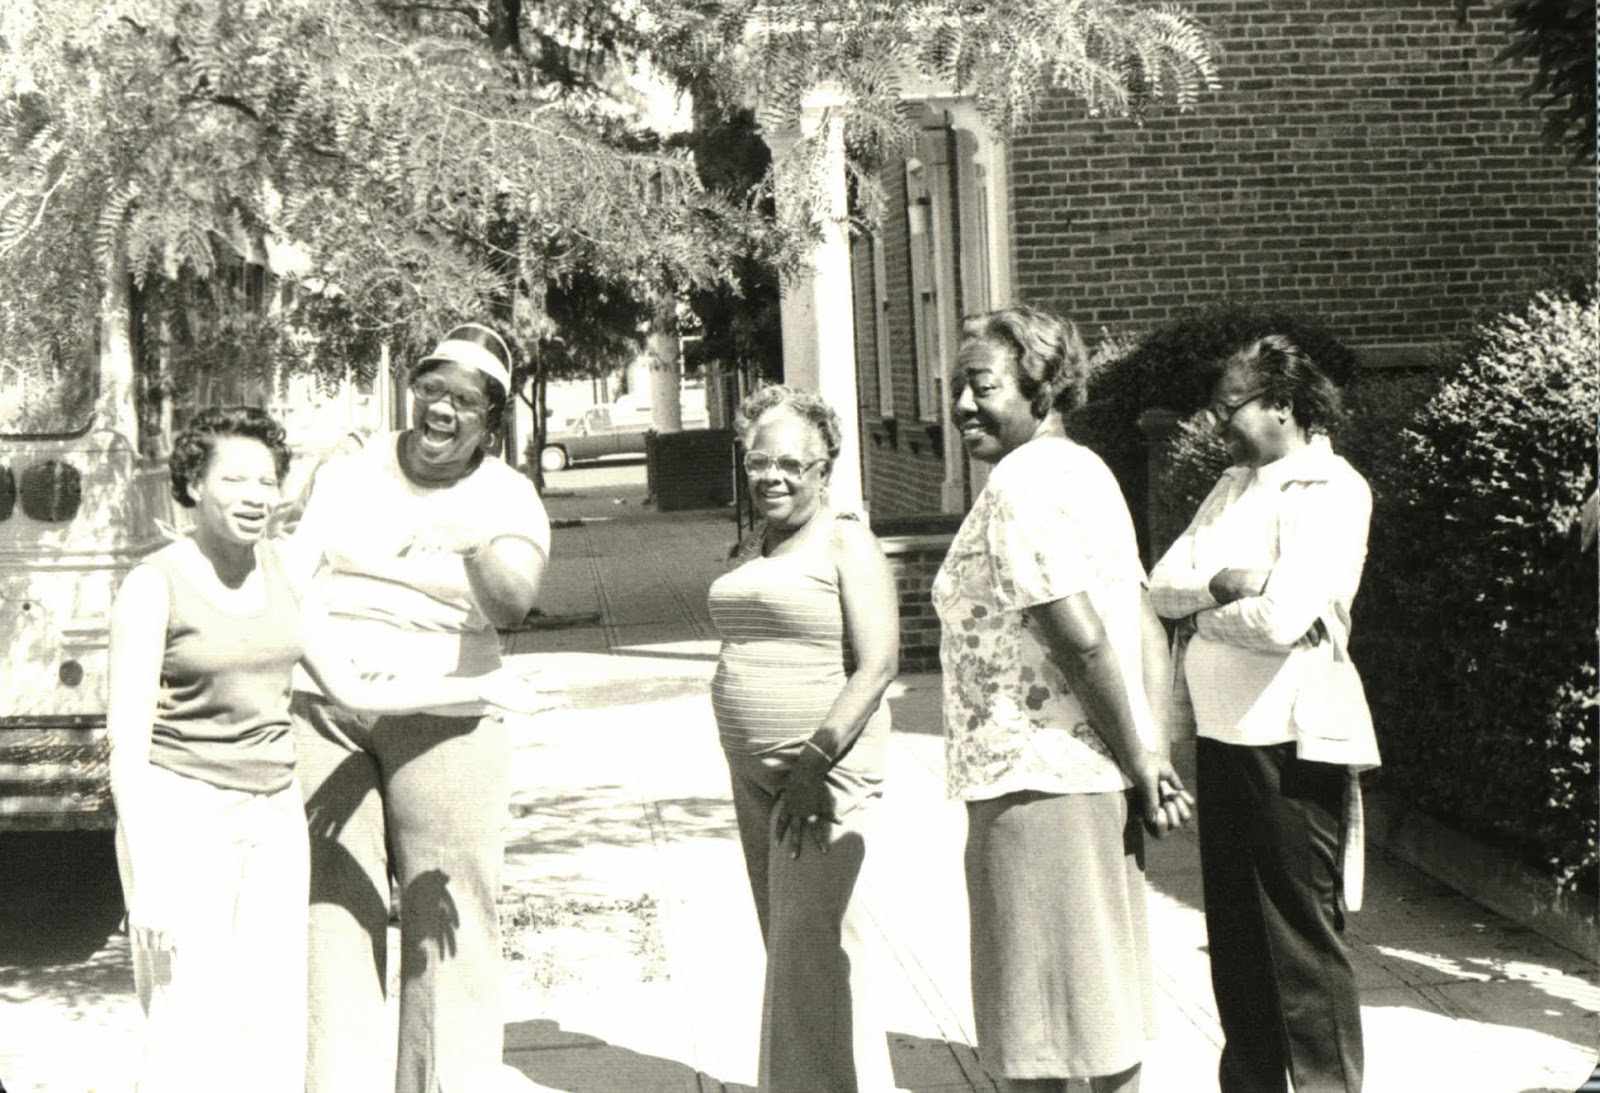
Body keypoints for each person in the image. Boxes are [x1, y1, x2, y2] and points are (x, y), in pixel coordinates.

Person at [106, 406, 531, 1093]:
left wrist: (477, 688)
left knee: (274, 1019)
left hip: (275, 818)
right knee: (181, 1017)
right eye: (235, 479)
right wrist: (146, 876)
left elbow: (354, 684)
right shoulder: (153, 584)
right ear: (194, 483)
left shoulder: (283, 575)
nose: (254, 496)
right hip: (183, 820)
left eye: (266, 481)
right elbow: (125, 747)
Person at [284, 322, 551, 1093]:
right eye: (432, 386)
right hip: (329, 706)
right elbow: (295, 576)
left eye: (465, 399)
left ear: (490, 421)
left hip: (449, 717)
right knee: (330, 915)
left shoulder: (507, 495)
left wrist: (474, 548)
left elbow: (512, 605)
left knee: (449, 921)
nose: (442, 407)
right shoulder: (352, 469)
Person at [932, 306, 1191, 1093]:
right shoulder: (1088, 469)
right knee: (1097, 1020)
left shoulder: (1021, 485)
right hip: (1089, 780)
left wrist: (1144, 759)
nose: (962, 405)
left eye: (981, 386)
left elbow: (1081, 636)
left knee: (1036, 1041)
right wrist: (1147, 754)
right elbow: (1143, 622)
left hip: (1032, 782)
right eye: (957, 388)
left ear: (1041, 390)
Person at [1148, 333, 1376, 1093]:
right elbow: (1161, 584)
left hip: (1294, 739)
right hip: (1220, 734)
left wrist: (1209, 607)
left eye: (1230, 407)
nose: (1221, 424)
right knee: (1238, 939)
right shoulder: (1231, 487)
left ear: (1283, 404)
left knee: (1302, 942)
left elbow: (1282, 619)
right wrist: (1223, 586)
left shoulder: (1332, 489)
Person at [708, 384, 901, 1092]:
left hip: (821, 771)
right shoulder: (758, 538)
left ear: (826, 467)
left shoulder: (847, 539)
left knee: (805, 949)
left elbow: (879, 662)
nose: (772, 476)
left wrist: (812, 762)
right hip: (758, 776)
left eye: (792, 462)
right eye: (759, 461)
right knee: (802, 946)